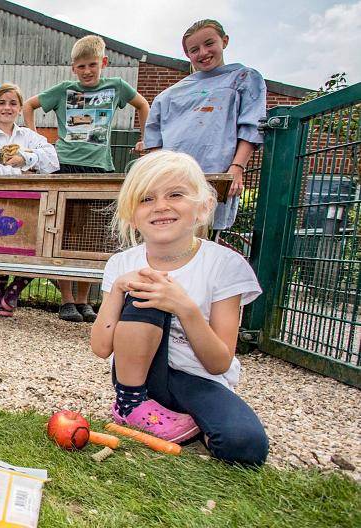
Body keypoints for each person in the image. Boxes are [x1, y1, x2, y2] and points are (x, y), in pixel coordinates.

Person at [89, 150, 268, 466]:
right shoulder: (123, 264)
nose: (161, 206)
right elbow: (102, 347)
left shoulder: (224, 264)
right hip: (140, 377)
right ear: (132, 214)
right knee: (146, 289)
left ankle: (183, 420)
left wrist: (184, 307)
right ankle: (131, 405)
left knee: (245, 446)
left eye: (175, 194)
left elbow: (218, 363)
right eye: (146, 199)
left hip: (197, 377)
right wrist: (118, 289)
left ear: (203, 207)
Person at [23, 35, 150, 324]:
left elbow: (142, 105)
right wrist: (35, 140)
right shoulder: (64, 91)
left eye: (92, 65)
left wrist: (146, 138)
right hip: (65, 165)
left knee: (93, 237)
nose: (87, 71)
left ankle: (85, 299)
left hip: (100, 168)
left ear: (103, 62)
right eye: (81, 67)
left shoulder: (115, 87)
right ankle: (67, 299)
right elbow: (29, 105)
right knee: (64, 231)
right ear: (73, 68)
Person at [143, 19, 266, 236]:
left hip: (215, 177)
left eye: (209, 44)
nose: (203, 52)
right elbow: (154, 141)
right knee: (170, 233)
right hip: (174, 179)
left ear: (224, 41)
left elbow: (251, 126)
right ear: (187, 55)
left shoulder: (243, 78)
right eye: (194, 49)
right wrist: (159, 177)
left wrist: (237, 168)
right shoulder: (169, 95)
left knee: (205, 237)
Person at [0, 83, 59, 316]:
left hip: (31, 204)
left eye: (13, 103)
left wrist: (26, 157)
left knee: (38, 248)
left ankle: (14, 291)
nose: (7, 108)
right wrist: (22, 171)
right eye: (2, 103)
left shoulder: (29, 136)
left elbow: (52, 161)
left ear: (19, 108)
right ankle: (2, 299)